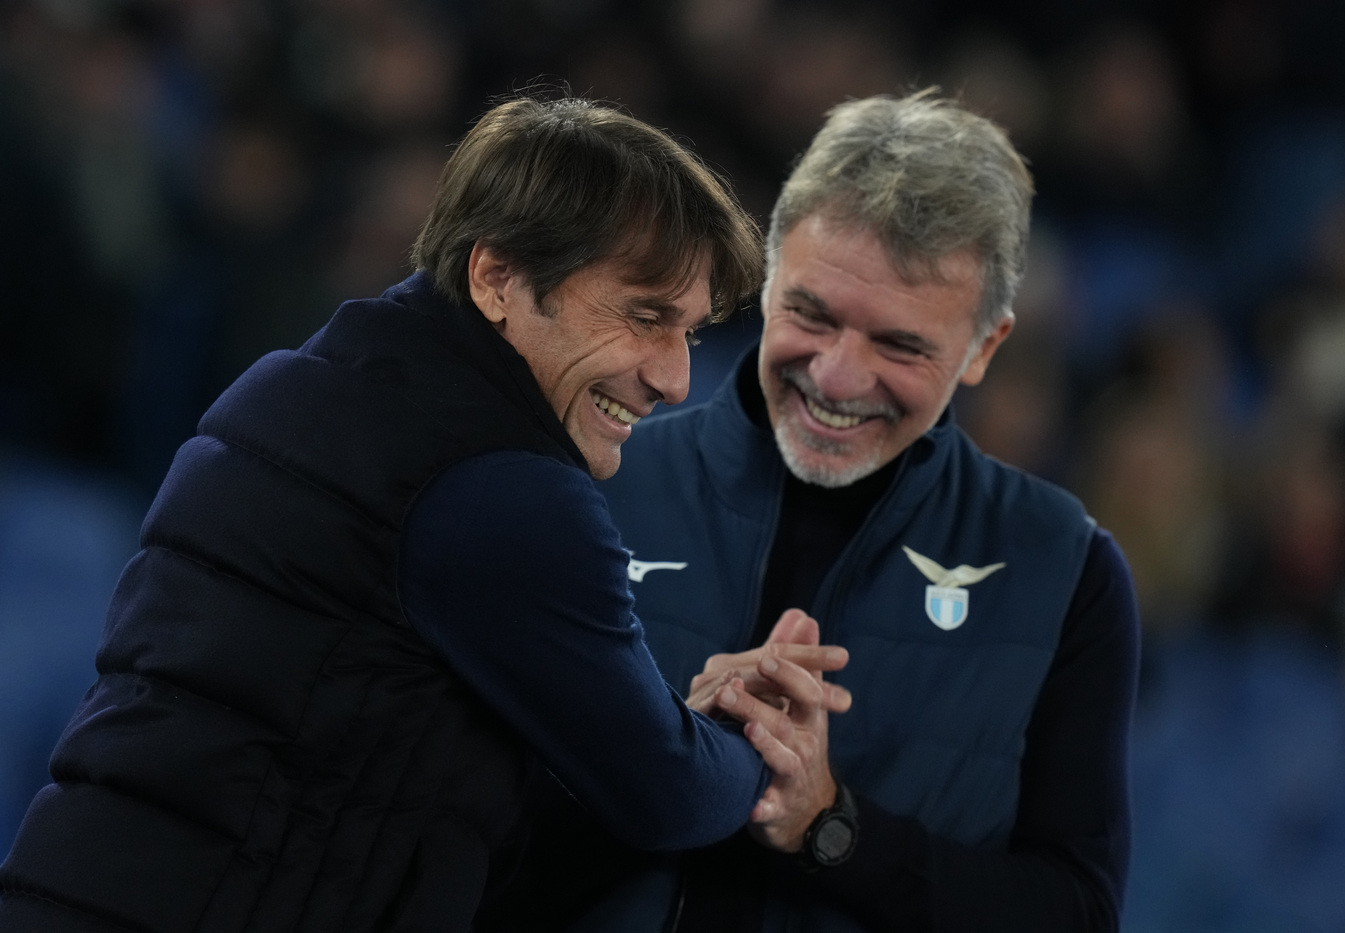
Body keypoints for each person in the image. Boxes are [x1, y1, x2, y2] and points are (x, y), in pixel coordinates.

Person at [0, 95, 819, 932]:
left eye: (688, 332)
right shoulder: (496, 485)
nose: (675, 378)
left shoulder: (293, 389)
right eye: (645, 317)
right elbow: (666, 791)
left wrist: (685, 734)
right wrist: (754, 746)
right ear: (497, 278)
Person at [584, 86, 1142, 931]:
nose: (838, 377)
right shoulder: (591, 483)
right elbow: (452, 821)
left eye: (899, 343)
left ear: (984, 347)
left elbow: (1073, 912)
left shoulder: (1065, 571)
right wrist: (664, 759)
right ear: (767, 281)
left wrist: (832, 827)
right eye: (812, 314)